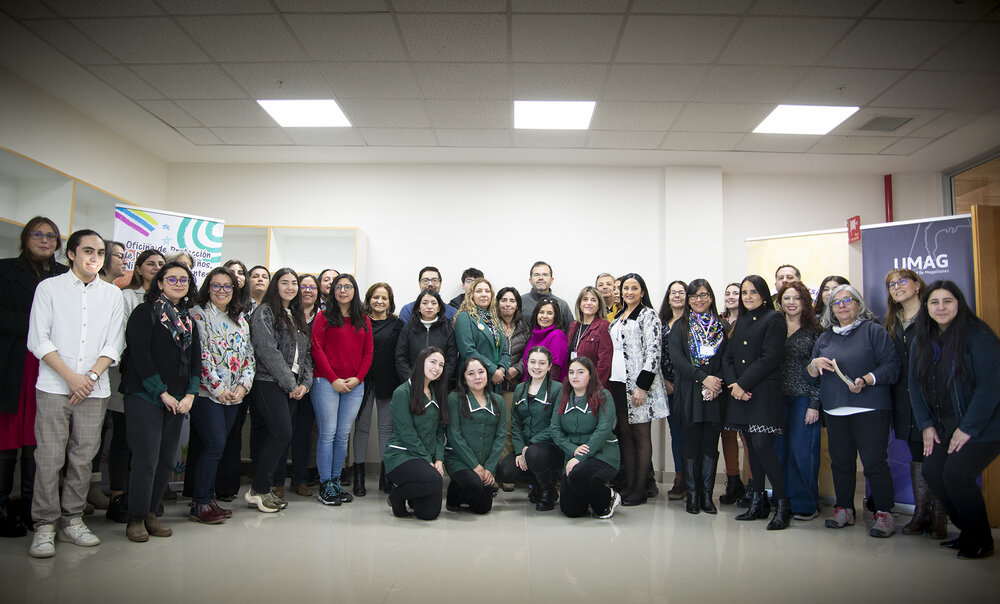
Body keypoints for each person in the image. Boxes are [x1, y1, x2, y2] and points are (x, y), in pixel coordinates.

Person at [25, 229, 124, 557]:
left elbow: (114, 343)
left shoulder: (111, 294)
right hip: (54, 386)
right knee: (49, 458)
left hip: (94, 391)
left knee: (83, 458)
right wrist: (71, 377)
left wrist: (91, 375)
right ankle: (44, 524)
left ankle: (72, 520)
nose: (94, 258)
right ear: (71, 254)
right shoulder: (49, 288)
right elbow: (38, 339)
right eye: (88, 251)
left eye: (99, 253)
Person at [909, 281, 1000, 559]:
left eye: (947, 301)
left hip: (984, 424)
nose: (941, 307)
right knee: (934, 472)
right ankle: (968, 532)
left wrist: (968, 428)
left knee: (957, 474)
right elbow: (914, 384)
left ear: (958, 303)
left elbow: (990, 385)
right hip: (945, 423)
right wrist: (925, 424)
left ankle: (982, 539)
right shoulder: (922, 338)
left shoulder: (977, 335)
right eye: (935, 302)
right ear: (927, 307)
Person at [808, 284, 900, 538]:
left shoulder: (873, 331)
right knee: (840, 463)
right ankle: (844, 508)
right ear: (830, 310)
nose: (842, 306)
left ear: (859, 305)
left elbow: (892, 367)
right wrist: (814, 364)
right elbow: (811, 375)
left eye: (848, 300)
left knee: (873, 463)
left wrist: (868, 379)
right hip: (836, 410)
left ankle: (882, 512)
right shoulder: (825, 337)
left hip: (870, 407)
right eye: (836, 303)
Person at [120, 262, 200, 542]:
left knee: (166, 460)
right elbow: (140, 356)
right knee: (147, 460)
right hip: (146, 396)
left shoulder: (188, 319)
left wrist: (190, 394)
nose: (179, 283)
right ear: (160, 282)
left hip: (178, 401)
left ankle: (152, 512)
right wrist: (162, 392)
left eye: (184, 279)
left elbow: (195, 362)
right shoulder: (145, 312)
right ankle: (136, 518)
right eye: (172, 278)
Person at [0, 218, 68, 539]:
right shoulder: (4, 270)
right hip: (13, 362)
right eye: (38, 235)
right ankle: (2, 508)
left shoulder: (63, 277)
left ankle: (31, 507)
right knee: (8, 433)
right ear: (26, 238)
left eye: (51, 236)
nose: (44, 240)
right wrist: (34, 322)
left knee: (41, 438)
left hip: (51, 363)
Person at [723, 275, 791, 531]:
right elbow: (728, 357)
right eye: (744, 293)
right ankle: (758, 501)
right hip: (740, 394)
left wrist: (743, 385)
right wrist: (734, 385)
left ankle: (783, 505)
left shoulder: (773, 319)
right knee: (752, 450)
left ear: (764, 294)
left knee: (764, 448)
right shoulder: (740, 320)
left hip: (761, 394)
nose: (748, 297)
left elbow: (770, 358)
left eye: (753, 292)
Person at [187, 267, 254, 524]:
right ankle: (200, 503)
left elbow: (249, 357)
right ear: (208, 288)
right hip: (208, 394)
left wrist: (242, 387)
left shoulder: (240, 320)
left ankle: (206, 499)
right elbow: (200, 357)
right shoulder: (199, 315)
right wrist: (219, 389)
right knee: (214, 444)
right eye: (216, 286)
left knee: (219, 446)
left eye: (228, 286)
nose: (222, 291)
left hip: (234, 396)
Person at [882, 269, 945, 538]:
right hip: (902, 399)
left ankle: (940, 517)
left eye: (902, 281)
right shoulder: (890, 323)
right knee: (916, 454)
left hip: (933, 398)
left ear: (917, 285)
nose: (896, 287)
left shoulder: (934, 316)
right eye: (891, 285)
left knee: (938, 456)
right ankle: (921, 514)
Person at [247, 268, 312, 513]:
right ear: (276, 285)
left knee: (281, 436)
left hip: (293, 385)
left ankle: (265, 489)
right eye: (284, 282)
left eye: (294, 283)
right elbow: (267, 351)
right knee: (281, 433)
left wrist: (305, 384)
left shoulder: (296, 315)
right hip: (268, 382)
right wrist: (290, 383)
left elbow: (305, 355)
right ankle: (258, 490)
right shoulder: (265, 312)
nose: (290, 287)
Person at [311, 273, 373, 506]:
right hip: (326, 383)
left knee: (342, 435)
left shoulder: (363, 319)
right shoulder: (323, 317)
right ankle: (325, 484)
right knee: (327, 434)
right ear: (332, 291)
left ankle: (336, 481)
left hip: (355, 385)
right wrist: (334, 378)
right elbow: (317, 349)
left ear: (355, 291)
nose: (343, 290)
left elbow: (368, 353)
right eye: (339, 287)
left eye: (348, 286)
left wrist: (358, 378)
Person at [608, 273, 668, 506]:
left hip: (638, 385)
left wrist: (642, 387)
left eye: (634, 288)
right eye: (625, 288)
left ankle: (641, 488)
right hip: (618, 383)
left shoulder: (648, 315)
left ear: (642, 292)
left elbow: (654, 352)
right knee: (625, 436)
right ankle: (629, 483)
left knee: (641, 436)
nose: (629, 292)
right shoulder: (619, 316)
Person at [669, 279, 728, 515]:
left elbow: (727, 358)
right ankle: (692, 496)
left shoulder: (721, 326)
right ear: (689, 300)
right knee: (691, 445)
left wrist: (715, 381)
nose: (699, 300)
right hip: (690, 392)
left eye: (703, 295)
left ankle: (707, 496)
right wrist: (703, 378)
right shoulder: (680, 326)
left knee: (710, 446)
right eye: (694, 296)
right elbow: (678, 359)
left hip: (715, 391)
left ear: (711, 298)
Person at [775, 281, 823, 521]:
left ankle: (804, 503)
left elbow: (822, 371)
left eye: (796, 298)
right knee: (779, 451)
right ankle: (783, 502)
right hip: (776, 400)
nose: (791, 303)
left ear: (805, 302)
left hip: (804, 398)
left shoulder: (815, 331)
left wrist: (815, 404)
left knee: (802, 452)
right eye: (786, 298)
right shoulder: (774, 326)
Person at [550, 357, 621, 519]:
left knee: (578, 475)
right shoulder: (564, 396)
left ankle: (609, 498)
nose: (575, 376)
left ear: (590, 375)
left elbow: (603, 430)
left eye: (581, 372)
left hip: (602, 455)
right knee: (571, 510)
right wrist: (573, 450)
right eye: (571, 372)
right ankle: (590, 494)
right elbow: (555, 429)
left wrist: (580, 457)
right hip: (574, 455)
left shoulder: (603, 395)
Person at [384, 347, 448, 520]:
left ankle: (413, 495)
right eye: (433, 362)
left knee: (428, 514)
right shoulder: (402, 392)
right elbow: (407, 433)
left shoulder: (437, 393)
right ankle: (396, 496)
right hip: (401, 455)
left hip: (425, 458)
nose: (437, 367)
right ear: (421, 362)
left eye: (441, 365)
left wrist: (439, 460)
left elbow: (439, 431)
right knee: (434, 480)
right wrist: (428, 461)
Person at [496, 346, 564, 511]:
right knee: (505, 472)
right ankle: (536, 482)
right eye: (533, 362)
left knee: (534, 454)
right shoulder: (520, 389)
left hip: (549, 446)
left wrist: (530, 445)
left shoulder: (558, 389)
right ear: (526, 364)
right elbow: (516, 423)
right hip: (525, 446)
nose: (537, 367)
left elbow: (556, 425)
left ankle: (548, 489)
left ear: (549, 366)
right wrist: (520, 451)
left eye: (542, 363)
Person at [86, 240, 126, 512]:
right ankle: (82, 490)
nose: (124, 261)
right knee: (85, 439)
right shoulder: (93, 289)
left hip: (106, 374)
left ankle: (90, 488)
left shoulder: (114, 292)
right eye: (119, 256)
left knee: (97, 438)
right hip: (84, 374)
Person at [356, 282, 402, 496]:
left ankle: (386, 476)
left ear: (390, 302)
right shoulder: (360, 321)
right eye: (375, 297)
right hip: (362, 382)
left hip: (388, 382)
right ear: (369, 299)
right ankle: (358, 476)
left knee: (386, 429)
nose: (380, 301)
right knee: (362, 427)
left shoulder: (397, 324)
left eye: (384, 298)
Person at [444, 357, 506, 514]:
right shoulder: (455, 398)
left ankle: (469, 490)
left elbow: (500, 436)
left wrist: (490, 469)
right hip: (459, 460)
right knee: (473, 484)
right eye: (471, 373)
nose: (477, 377)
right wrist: (474, 466)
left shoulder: (498, 400)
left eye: (481, 372)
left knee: (483, 508)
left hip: (485, 463)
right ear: (464, 378)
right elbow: (454, 434)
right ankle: (455, 493)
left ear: (487, 374)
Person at [280, 273, 320, 497]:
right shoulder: (287, 315)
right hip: (282, 382)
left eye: (311, 287)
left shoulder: (321, 317)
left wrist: (306, 382)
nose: (307, 290)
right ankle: (277, 481)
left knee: (304, 431)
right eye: (302, 286)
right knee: (281, 431)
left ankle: (299, 479)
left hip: (308, 382)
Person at [718, 282, 747, 505]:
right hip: (724, 385)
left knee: (747, 437)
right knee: (727, 435)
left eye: (736, 293)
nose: (731, 297)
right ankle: (733, 481)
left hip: (745, 386)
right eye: (727, 293)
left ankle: (753, 484)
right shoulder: (719, 321)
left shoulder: (750, 321)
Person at [658, 279, 688, 501]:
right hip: (667, 387)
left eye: (681, 292)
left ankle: (694, 477)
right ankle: (680, 477)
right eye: (673, 293)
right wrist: (663, 382)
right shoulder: (660, 323)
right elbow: (655, 356)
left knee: (693, 433)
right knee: (676, 433)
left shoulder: (693, 322)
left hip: (691, 386)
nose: (677, 296)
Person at [454, 278, 509, 395]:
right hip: (474, 378)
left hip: (495, 381)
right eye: (479, 291)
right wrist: (493, 371)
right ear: (471, 295)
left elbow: (505, 351)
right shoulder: (464, 317)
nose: (484, 294)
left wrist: (501, 370)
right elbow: (467, 351)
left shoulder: (494, 319)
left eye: (487, 291)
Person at [395, 289, 458, 387]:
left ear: (439, 308)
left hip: (440, 384)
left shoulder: (447, 329)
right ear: (419, 308)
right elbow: (401, 357)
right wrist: (411, 379)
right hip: (412, 384)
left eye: (433, 303)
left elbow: (451, 359)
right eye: (425, 303)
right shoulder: (408, 328)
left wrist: (439, 379)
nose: (429, 307)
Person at [567, 286, 612, 386]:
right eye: (585, 299)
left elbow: (604, 363)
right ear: (580, 304)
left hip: (593, 385)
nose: (588, 303)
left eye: (593, 300)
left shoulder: (603, 326)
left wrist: (595, 386)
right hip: (574, 382)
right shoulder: (574, 325)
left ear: (599, 305)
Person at [523, 297, 568, 382]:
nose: (544, 316)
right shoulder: (534, 335)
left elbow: (555, 370)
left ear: (555, 316)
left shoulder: (557, 335)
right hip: (529, 385)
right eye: (541, 312)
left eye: (549, 313)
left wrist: (544, 392)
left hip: (547, 389)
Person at [520, 261, 573, 332]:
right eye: (536, 275)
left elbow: (571, 334)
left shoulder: (562, 305)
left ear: (551, 280)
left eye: (545, 274)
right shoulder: (519, 302)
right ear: (530, 280)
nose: (541, 278)